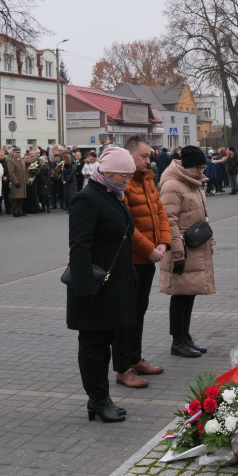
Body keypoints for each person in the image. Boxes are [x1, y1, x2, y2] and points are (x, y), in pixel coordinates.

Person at [65, 145, 138, 424]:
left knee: (106, 342)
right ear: (107, 172)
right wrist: (85, 291)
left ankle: (101, 398)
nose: (126, 181)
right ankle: (98, 400)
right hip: (93, 289)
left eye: (129, 176)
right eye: (123, 176)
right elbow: (79, 248)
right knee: (94, 346)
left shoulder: (112, 194)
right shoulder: (87, 199)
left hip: (113, 286)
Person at [114, 136, 172, 389]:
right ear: (129, 156)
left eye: (150, 156)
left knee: (139, 312)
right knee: (125, 316)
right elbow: (126, 225)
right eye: (144, 156)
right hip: (130, 261)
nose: (149, 160)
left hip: (148, 259)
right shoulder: (123, 184)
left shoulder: (148, 180)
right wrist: (150, 249)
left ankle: (135, 359)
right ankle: (123, 368)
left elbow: (160, 212)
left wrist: (163, 242)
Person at [159, 145, 214, 359]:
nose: (202, 171)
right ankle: (177, 341)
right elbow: (168, 220)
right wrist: (177, 253)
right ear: (187, 166)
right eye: (198, 167)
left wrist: (211, 240)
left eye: (203, 167)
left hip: (196, 246)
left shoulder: (194, 183)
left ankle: (186, 336)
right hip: (181, 248)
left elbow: (203, 216)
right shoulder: (173, 185)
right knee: (180, 295)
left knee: (189, 293)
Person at [7, 148, 28, 217]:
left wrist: (27, 181)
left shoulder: (22, 160)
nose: (18, 154)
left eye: (19, 152)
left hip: (23, 181)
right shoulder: (11, 161)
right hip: (16, 182)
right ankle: (15, 211)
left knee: (22, 197)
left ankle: (20, 211)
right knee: (16, 197)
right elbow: (11, 172)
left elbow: (25, 171)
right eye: (16, 152)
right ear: (13, 153)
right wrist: (16, 181)